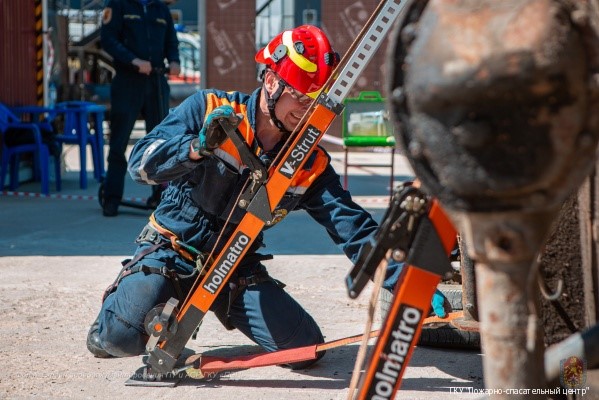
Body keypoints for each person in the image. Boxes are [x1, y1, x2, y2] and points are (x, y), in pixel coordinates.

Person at [86, 25, 447, 365]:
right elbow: (140, 164)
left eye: (316, 101)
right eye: (301, 97)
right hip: (172, 250)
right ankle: (127, 300)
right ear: (272, 82)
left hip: (234, 265)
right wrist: (196, 148)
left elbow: (354, 229)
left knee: (305, 351)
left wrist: (408, 281)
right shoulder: (211, 110)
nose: (307, 110)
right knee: (118, 337)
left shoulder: (306, 161)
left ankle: (204, 306)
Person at [100, 0, 181, 217]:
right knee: (119, 142)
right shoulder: (119, 5)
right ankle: (112, 198)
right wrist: (133, 60)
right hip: (128, 81)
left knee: (160, 143)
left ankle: (161, 197)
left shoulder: (160, 8)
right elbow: (108, 39)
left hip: (156, 82)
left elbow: (171, 41)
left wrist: (174, 60)